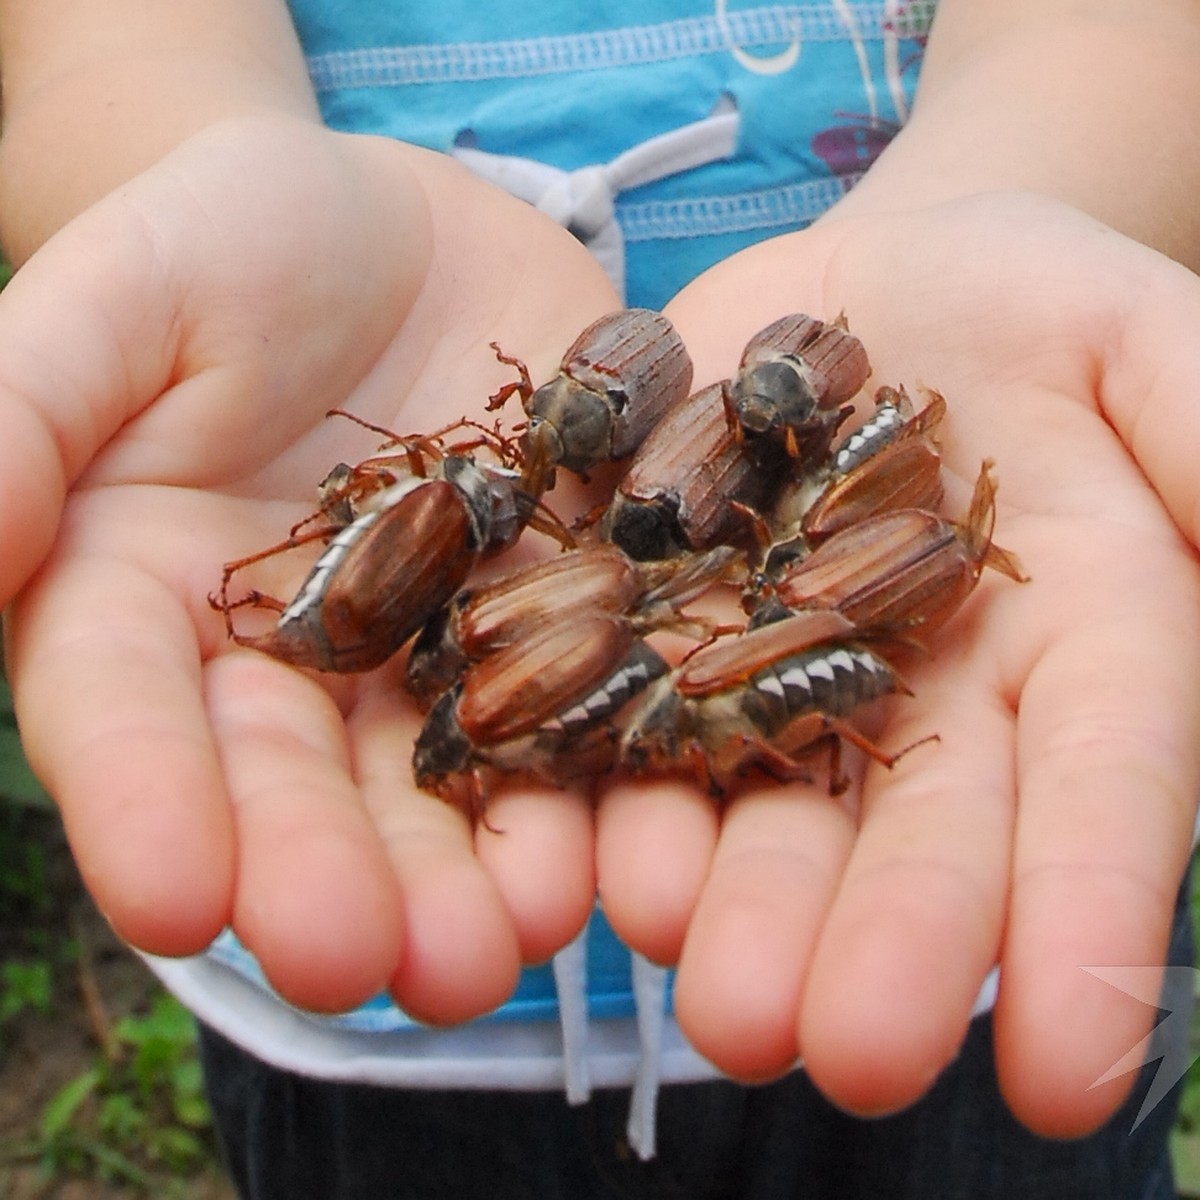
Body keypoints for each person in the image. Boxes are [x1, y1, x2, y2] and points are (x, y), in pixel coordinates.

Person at [1, 0, 1200, 1195]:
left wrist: (1045, 180)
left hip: (974, 926)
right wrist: (165, 162)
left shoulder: (713, 494)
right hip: (380, 998)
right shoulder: (541, 557)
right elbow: (109, 42)